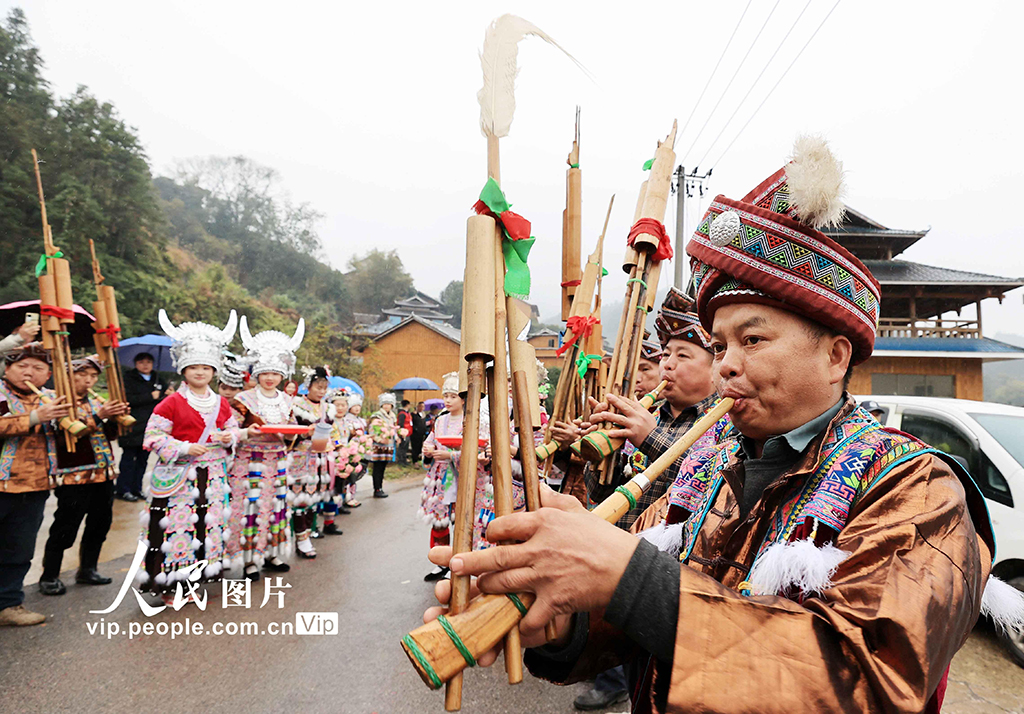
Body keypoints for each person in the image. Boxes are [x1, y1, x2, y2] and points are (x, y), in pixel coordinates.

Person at [425, 137, 1011, 712]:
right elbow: (639, 628)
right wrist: (562, 620)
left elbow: (873, 683)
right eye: (720, 342)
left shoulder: (919, 489)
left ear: (836, 358)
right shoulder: (708, 463)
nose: (726, 362)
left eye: (752, 339)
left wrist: (628, 574)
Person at [587, 288, 733, 530]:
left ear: (714, 369)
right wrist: (602, 448)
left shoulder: (729, 420)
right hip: (613, 548)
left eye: (683, 356)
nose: (667, 364)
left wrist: (650, 438)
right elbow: (599, 493)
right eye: (665, 354)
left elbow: (719, 490)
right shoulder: (647, 415)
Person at [139, 311, 251, 603]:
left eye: (205, 367)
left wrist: (230, 437)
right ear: (183, 370)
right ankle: (169, 586)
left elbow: (235, 431)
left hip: (213, 478)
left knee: (207, 526)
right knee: (178, 528)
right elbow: (152, 437)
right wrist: (184, 447)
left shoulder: (221, 403)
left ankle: (194, 580)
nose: (200, 372)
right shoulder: (171, 402)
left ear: (214, 370)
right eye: (193, 367)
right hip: (181, 478)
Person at [38, 357, 129, 595]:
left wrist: (115, 417)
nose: (89, 380)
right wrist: (100, 415)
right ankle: (49, 575)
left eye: (93, 376)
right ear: (68, 377)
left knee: (100, 524)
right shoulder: (55, 402)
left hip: (104, 473)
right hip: (74, 476)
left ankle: (88, 569)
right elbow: (70, 434)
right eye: (82, 375)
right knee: (66, 526)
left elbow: (110, 436)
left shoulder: (93, 401)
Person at [228, 316, 305, 580]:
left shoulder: (287, 399)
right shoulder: (242, 399)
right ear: (257, 374)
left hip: (278, 461)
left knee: (276, 506)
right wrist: (245, 432)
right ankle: (249, 560)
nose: (270, 378)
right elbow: (230, 431)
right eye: (265, 373)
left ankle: (273, 553)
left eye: (275, 373)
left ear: (282, 375)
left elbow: (292, 428)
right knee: (251, 508)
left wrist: (289, 435)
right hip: (250, 462)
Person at [0, 343, 70, 626]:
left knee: (19, 549)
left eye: (38, 368)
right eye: (22, 366)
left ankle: (9, 605)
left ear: (48, 374)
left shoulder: (53, 398)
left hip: (35, 485)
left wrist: (103, 417)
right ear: (7, 369)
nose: (29, 372)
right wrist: (34, 418)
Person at [290, 366, 343, 557]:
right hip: (300, 456)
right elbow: (289, 430)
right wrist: (305, 432)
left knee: (313, 498)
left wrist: (340, 448)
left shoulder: (328, 407)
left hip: (321, 456)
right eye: (317, 387)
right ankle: (301, 538)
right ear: (309, 387)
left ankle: (308, 534)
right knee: (299, 498)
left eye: (324, 388)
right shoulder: (296, 405)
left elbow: (334, 430)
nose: (321, 391)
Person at [118, 352, 169, 502]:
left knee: (143, 460)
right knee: (128, 459)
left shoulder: (158, 379)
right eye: (141, 362)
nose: (145, 365)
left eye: (148, 362)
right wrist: (149, 396)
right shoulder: (128, 378)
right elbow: (126, 398)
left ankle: (137, 488)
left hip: (150, 426)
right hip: (132, 425)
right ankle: (123, 489)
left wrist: (167, 395)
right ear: (135, 363)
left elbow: (164, 400)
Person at [368, 392, 398, 498]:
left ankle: (380, 487)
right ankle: (377, 489)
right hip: (379, 445)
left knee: (383, 467)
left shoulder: (392, 416)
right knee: (378, 467)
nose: (386, 406)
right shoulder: (377, 416)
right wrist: (380, 439)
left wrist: (397, 437)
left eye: (388, 404)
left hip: (388, 445)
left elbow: (394, 429)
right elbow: (372, 431)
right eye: (384, 404)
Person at [342, 395, 367, 507]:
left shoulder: (361, 420)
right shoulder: (346, 419)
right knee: (349, 473)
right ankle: (346, 498)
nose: (357, 408)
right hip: (349, 449)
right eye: (354, 406)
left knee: (356, 473)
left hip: (359, 449)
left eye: (358, 406)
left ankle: (352, 496)